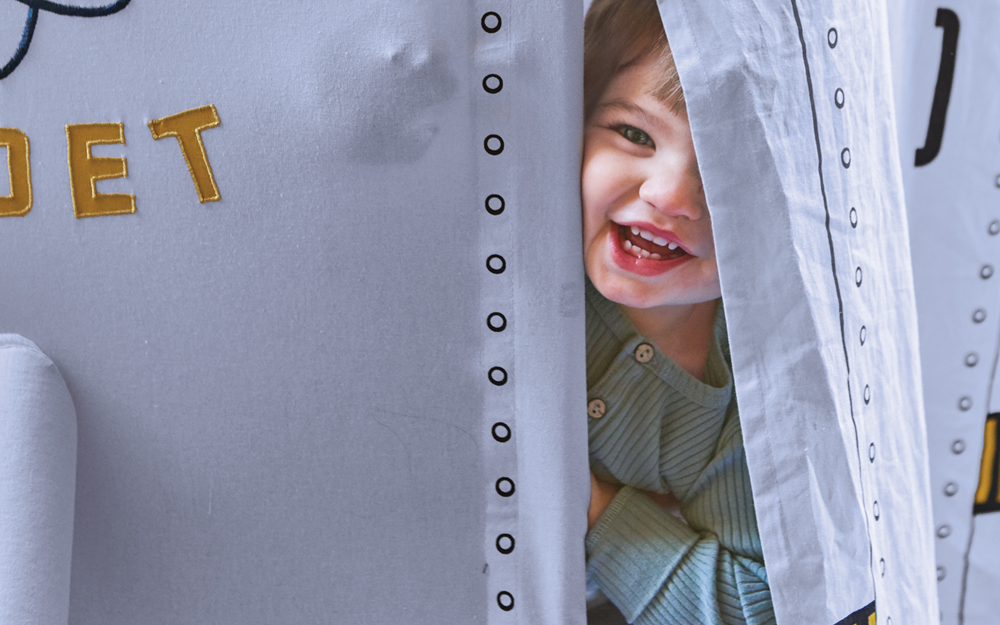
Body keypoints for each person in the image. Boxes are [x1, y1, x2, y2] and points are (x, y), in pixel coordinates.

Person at [581, 1, 775, 623]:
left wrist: (590, 507)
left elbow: (750, 610)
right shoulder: (504, 268)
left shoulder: (756, 387)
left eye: (726, 172)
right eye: (634, 133)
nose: (669, 195)